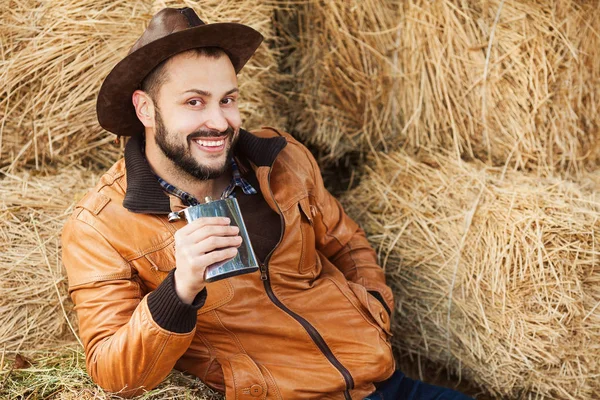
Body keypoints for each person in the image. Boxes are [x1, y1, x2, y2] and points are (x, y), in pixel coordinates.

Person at [62, 7, 471, 400]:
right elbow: (113, 375)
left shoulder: (283, 158)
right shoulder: (100, 227)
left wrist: (374, 310)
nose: (220, 122)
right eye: (194, 102)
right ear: (146, 109)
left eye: (228, 100)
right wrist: (180, 288)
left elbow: (347, 242)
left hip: (383, 383)